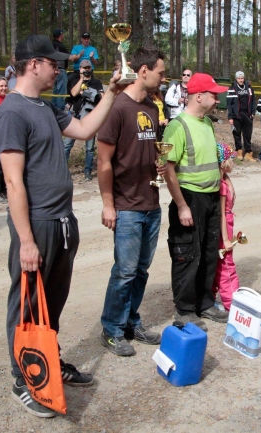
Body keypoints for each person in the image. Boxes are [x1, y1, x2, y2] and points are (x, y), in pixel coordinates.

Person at [0, 34, 124, 418]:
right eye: (54, 64)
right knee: (28, 304)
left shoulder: (46, 108)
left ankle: (49, 360)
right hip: (37, 225)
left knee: (52, 302)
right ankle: (24, 378)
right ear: (34, 64)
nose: (59, 70)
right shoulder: (12, 112)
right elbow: (14, 182)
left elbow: (84, 130)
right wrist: (27, 241)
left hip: (63, 222)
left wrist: (112, 92)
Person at [96, 47, 166, 357]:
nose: (164, 78)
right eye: (161, 72)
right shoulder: (117, 108)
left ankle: (130, 323)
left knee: (140, 271)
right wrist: (108, 204)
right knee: (124, 271)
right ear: (143, 71)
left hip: (151, 203)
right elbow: (103, 162)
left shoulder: (152, 107)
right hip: (125, 207)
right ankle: (111, 329)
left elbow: (147, 149)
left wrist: (160, 165)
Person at [163, 73, 231, 330]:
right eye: (213, 95)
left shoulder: (207, 124)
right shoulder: (177, 126)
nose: (217, 99)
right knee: (187, 254)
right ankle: (184, 310)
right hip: (190, 198)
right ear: (198, 96)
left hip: (211, 196)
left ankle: (205, 303)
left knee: (208, 253)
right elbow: (168, 170)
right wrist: (181, 206)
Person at [63, 59, 104, 180]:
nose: (86, 70)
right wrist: (81, 78)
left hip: (90, 117)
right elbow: (74, 93)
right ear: (80, 68)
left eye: (88, 68)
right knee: (67, 144)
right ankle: (63, 169)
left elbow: (103, 97)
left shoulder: (96, 82)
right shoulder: (75, 80)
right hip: (75, 116)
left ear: (91, 68)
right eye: (84, 68)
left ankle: (88, 172)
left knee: (90, 147)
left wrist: (90, 93)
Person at [212, 142, 239, 311]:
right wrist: (226, 239)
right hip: (224, 228)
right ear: (223, 162)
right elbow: (221, 214)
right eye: (230, 159)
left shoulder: (224, 181)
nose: (233, 163)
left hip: (227, 224)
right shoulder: (222, 186)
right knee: (226, 265)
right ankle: (232, 304)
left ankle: (211, 296)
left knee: (217, 263)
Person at [227, 71, 256, 161]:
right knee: (237, 134)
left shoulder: (249, 88)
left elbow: (253, 101)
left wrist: (253, 113)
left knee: (247, 134)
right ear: (236, 79)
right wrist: (230, 117)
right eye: (239, 78)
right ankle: (239, 151)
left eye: (242, 78)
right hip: (237, 115)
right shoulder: (232, 88)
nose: (241, 80)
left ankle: (248, 153)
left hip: (247, 115)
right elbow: (229, 104)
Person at [51, 29, 72, 110]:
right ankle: (60, 110)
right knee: (61, 91)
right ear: (60, 35)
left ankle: (53, 108)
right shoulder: (60, 45)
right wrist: (78, 55)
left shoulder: (51, 44)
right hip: (60, 70)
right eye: (62, 34)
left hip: (53, 70)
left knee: (55, 90)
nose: (63, 35)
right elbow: (69, 57)